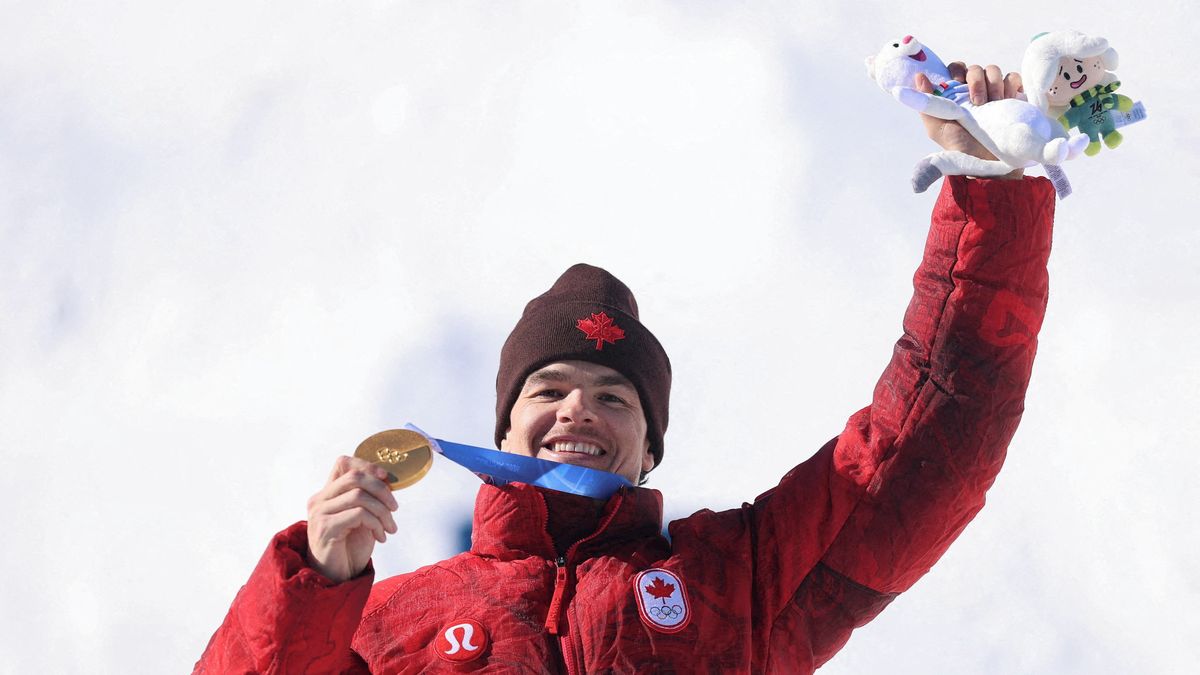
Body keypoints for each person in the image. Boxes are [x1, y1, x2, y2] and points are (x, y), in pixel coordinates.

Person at [196, 62, 1055, 673]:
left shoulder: (740, 581)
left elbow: (925, 443)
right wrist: (317, 583)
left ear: (650, 452)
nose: (579, 411)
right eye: (550, 389)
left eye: (615, 397)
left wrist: (992, 195)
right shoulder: (387, 619)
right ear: (503, 428)